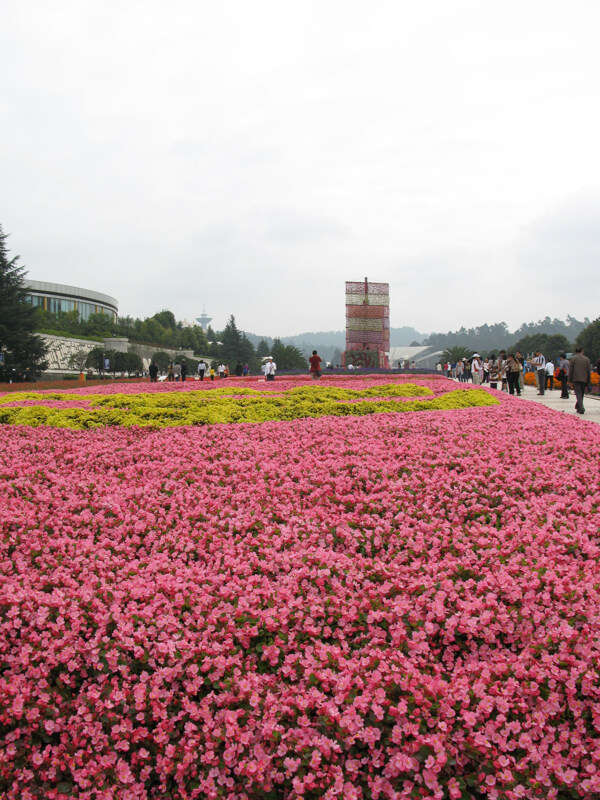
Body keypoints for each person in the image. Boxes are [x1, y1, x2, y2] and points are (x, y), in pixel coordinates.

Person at [569, 346, 591, 414]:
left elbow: (570, 370)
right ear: (582, 351)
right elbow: (588, 370)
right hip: (584, 378)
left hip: (576, 378)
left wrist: (569, 379)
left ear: (575, 352)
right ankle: (578, 407)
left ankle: (581, 407)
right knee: (581, 393)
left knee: (578, 393)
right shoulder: (587, 359)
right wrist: (588, 380)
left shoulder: (573, 359)